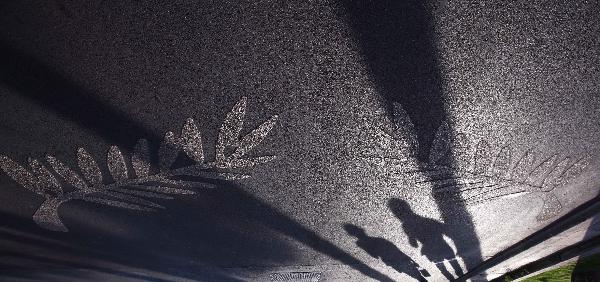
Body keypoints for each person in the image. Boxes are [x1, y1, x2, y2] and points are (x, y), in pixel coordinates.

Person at [388, 198, 464, 280]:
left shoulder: (406, 226)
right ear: (408, 207)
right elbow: (445, 230)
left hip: (431, 251)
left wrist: (412, 237)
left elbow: (414, 244)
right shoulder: (425, 220)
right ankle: (462, 278)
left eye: (395, 213)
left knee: (444, 269)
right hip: (442, 246)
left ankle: (454, 279)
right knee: (455, 265)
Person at [344, 224, 429, 281]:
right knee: (416, 274)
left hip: (391, 260)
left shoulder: (361, 244)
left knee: (415, 275)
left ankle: (420, 276)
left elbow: (375, 256)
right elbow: (395, 248)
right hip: (397, 256)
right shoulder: (379, 239)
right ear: (361, 230)